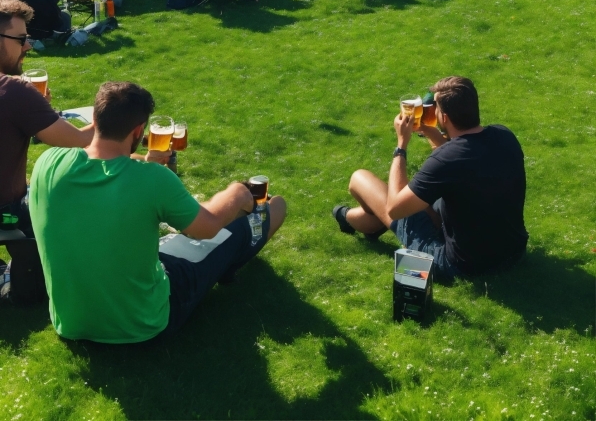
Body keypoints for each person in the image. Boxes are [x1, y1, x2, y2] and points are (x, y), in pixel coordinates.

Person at [30, 80, 286, 342]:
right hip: (143, 323)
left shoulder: (48, 163)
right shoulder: (152, 179)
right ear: (139, 130)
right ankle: (236, 255)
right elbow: (206, 227)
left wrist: (143, 162)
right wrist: (236, 193)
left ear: (95, 118)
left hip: (70, 323)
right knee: (275, 207)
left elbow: (99, 158)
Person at [332, 76, 528, 281]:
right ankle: (363, 222)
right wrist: (429, 131)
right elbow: (462, 160)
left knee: (359, 178)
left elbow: (394, 208)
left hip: (460, 267)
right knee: (424, 199)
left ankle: (346, 217)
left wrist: (401, 145)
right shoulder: (504, 135)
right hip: (512, 253)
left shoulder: (445, 160)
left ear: (445, 116)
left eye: (435, 107)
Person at [0, 0, 93, 237]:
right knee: (83, 203)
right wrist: (119, 114)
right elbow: (78, 140)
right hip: (6, 213)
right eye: (21, 39)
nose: (28, 46)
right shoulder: (14, 91)